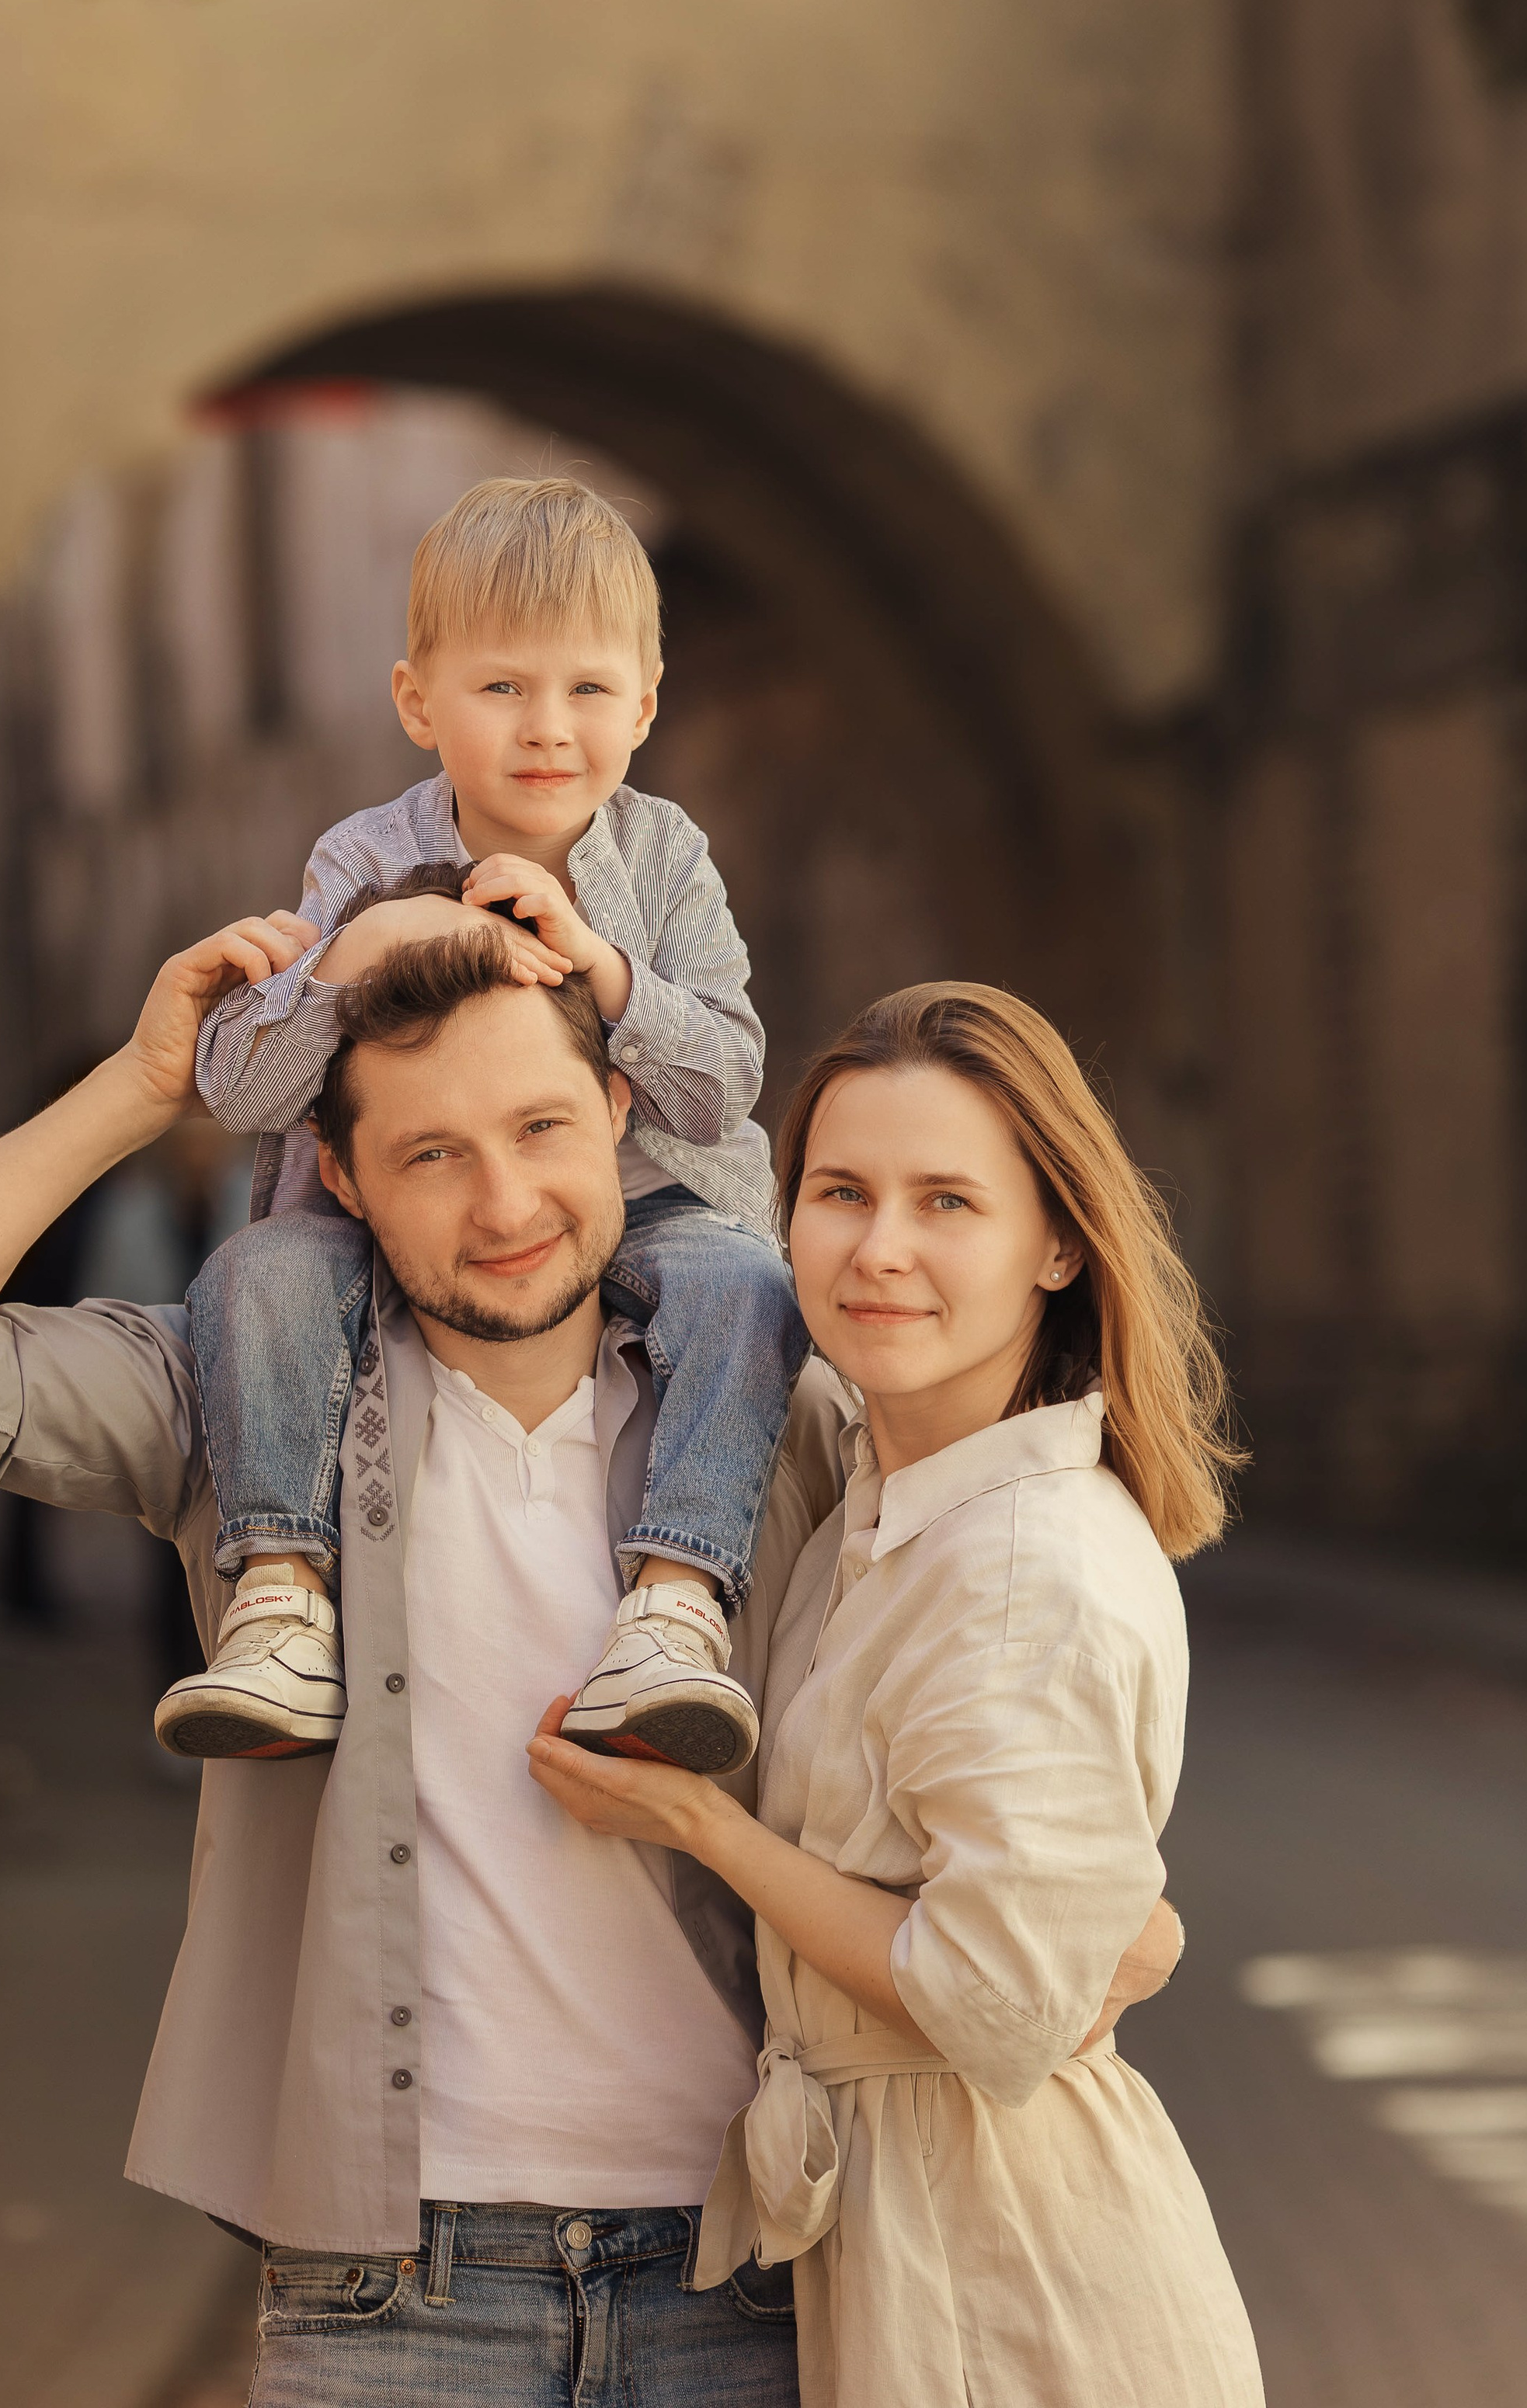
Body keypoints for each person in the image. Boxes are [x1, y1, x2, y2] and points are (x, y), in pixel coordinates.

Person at [0, 911, 1177, 2403]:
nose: (504, 1201)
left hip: (755, 2267)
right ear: (343, 1178)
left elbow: (1008, 1775)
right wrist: (141, 1088)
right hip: (390, 2297)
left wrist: (1118, 1931)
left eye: (541, 1127)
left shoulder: (786, 1420)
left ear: (621, 1116)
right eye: (431, 1154)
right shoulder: (244, 1406)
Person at [529, 981, 1265, 2407]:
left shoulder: (1020, 1569)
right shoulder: (877, 1496)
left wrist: (702, 1828)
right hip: (909, 2242)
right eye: (840, 1192)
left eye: (947, 1203)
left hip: (1016, 2279)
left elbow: (995, 2000)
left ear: (1057, 1242)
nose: (880, 1251)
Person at [167, 473, 811, 1775]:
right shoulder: (358, 858)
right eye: (502, 688)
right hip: (392, 1214)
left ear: (645, 700)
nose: (547, 729)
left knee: (751, 1289)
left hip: (666, 1199)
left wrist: (606, 970)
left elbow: (726, 1079)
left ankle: (679, 1604)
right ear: (420, 702)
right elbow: (239, 1086)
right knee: (252, 1277)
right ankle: (284, 1597)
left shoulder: (666, 856)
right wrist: (359, 952)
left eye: (586, 690)